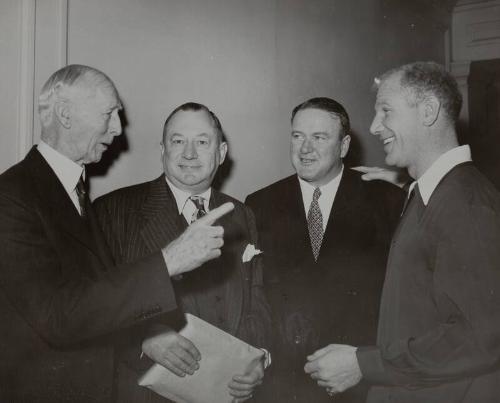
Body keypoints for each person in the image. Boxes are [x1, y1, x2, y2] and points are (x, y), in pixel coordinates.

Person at [0, 65, 233, 403]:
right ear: (65, 115)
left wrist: (147, 333)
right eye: (109, 114)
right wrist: (168, 260)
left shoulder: (74, 192)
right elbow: (58, 316)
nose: (118, 129)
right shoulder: (12, 196)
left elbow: (97, 299)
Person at [304, 62, 500, 403]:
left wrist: (363, 364)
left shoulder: (464, 205)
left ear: (428, 111)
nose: (375, 125)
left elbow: (478, 337)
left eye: (386, 111)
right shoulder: (433, 193)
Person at [94, 102, 271, 402]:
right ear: (162, 149)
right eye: (177, 141)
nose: (189, 154)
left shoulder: (242, 214)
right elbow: (88, 308)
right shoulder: (113, 212)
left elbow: (257, 302)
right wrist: (142, 338)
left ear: (222, 152)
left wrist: (258, 359)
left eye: (202, 142)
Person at [245, 97, 402, 402]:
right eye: (297, 136)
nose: (305, 148)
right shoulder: (260, 203)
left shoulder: (387, 200)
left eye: (319, 137)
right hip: (284, 384)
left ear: (343, 146)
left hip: (360, 384)